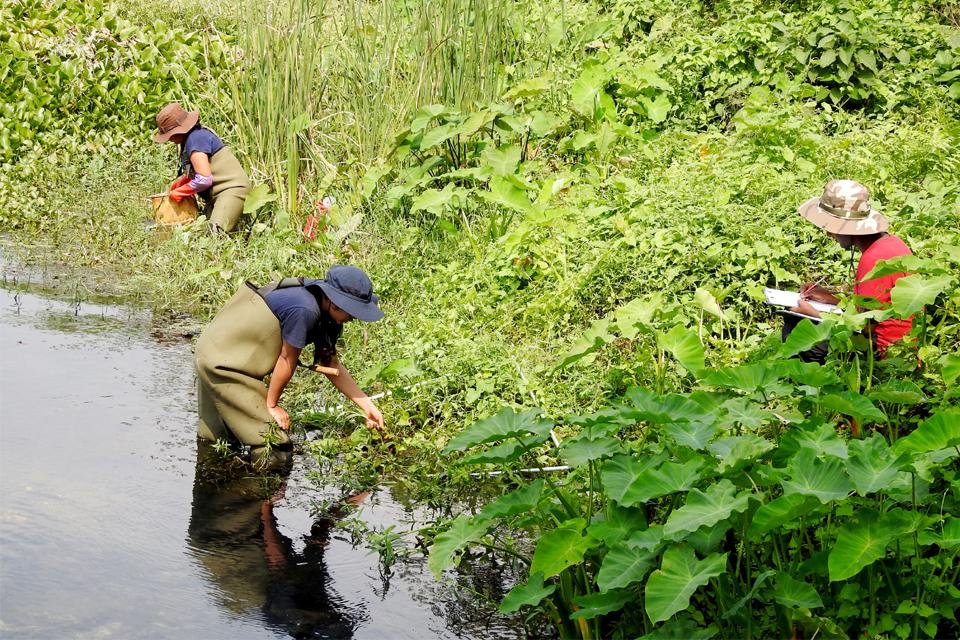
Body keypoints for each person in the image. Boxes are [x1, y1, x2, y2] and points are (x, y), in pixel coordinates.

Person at [195, 265, 385, 467]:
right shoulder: (304, 311)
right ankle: (258, 496)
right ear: (334, 303)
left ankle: (220, 484)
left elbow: (330, 363)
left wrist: (368, 407)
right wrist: (272, 406)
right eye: (352, 311)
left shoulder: (321, 303)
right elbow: (287, 360)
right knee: (274, 447)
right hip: (225, 367)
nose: (354, 318)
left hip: (209, 354)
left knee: (216, 439)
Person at [783, 179, 913, 361]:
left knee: (795, 327)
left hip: (884, 353)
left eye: (832, 226)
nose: (829, 233)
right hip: (903, 346)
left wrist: (816, 314)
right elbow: (868, 310)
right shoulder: (891, 243)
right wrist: (831, 300)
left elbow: (865, 327)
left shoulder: (873, 260)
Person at [154, 102, 251, 233]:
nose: (169, 139)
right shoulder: (191, 138)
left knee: (215, 234)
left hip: (231, 189)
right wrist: (183, 181)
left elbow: (204, 179)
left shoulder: (196, 139)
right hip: (216, 194)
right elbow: (200, 170)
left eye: (170, 134)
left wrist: (180, 192)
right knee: (199, 232)